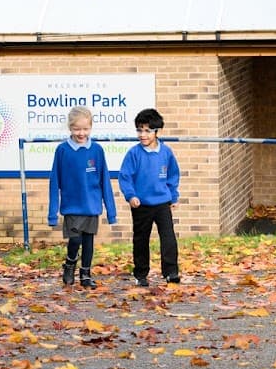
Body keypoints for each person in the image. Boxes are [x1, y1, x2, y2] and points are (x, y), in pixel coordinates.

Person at [47, 106, 117, 289]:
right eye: (77, 129)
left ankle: (85, 274)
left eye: (85, 129)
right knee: (75, 240)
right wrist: (52, 213)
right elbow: (55, 181)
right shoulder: (62, 150)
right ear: (70, 128)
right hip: (72, 206)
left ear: (91, 127)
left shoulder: (97, 150)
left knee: (88, 241)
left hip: (91, 205)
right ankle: (70, 263)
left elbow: (105, 181)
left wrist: (111, 212)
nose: (81, 133)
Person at [117, 108, 181, 287]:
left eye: (147, 130)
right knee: (141, 239)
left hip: (162, 203)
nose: (142, 135)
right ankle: (141, 273)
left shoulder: (166, 153)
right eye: (139, 130)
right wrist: (131, 196)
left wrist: (173, 196)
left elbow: (173, 175)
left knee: (168, 237)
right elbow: (125, 177)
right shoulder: (134, 154)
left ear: (156, 131)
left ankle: (171, 272)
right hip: (141, 204)